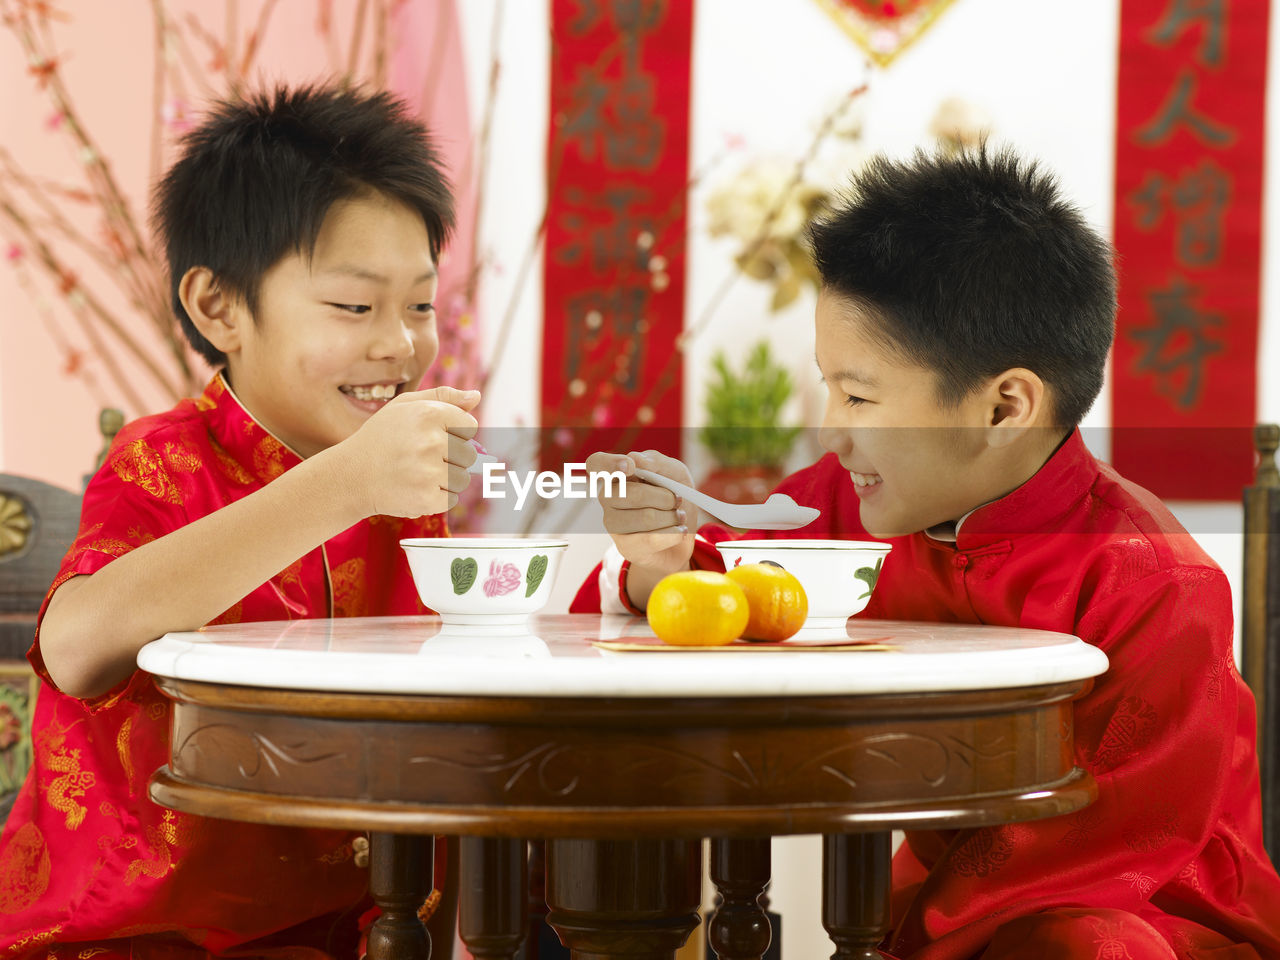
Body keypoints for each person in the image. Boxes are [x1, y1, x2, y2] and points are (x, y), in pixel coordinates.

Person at [573, 147, 1280, 958]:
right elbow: (730, 575)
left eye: (859, 396)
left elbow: (1120, 844)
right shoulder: (853, 499)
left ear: (1004, 405)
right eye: (829, 387)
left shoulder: (1154, 581)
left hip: (1148, 915)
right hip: (948, 905)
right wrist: (662, 559)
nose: (830, 428)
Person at [0, 84, 479, 959]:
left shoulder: (401, 477)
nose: (402, 345)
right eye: (354, 307)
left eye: (419, 306)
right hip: (145, 939)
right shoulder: (162, 461)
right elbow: (73, 647)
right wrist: (344, 486)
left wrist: (643, 567)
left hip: (369, 927)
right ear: (219, 307)